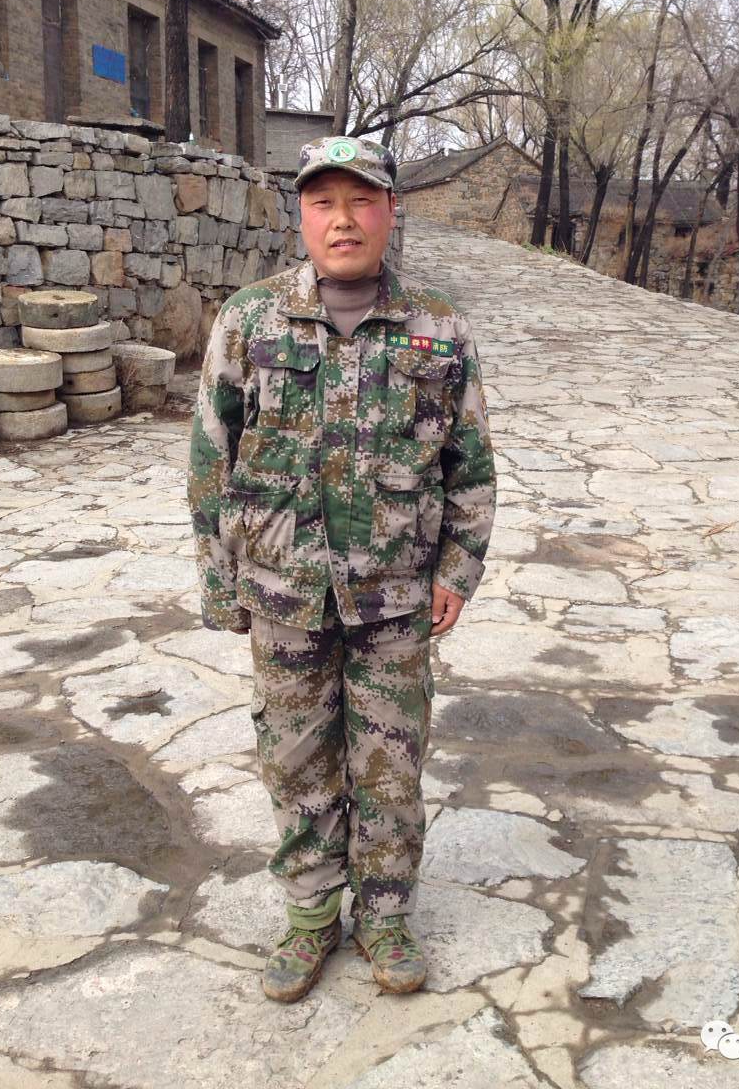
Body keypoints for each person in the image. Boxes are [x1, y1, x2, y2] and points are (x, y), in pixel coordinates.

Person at [187, 136, 496, 1001]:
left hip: (396, 598)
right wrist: (219, 582)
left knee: (390, 766)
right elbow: (211, 456)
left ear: (390, 211)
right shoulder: (250, 321)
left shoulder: (439, 328)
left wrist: (458, 569)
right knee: (296, 761)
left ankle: (386, 915)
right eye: (324, 203)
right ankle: (312, 914)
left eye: (361, 201)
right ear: (302, 216)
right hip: (284, 592)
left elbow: (470, 462)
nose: (343, 220)